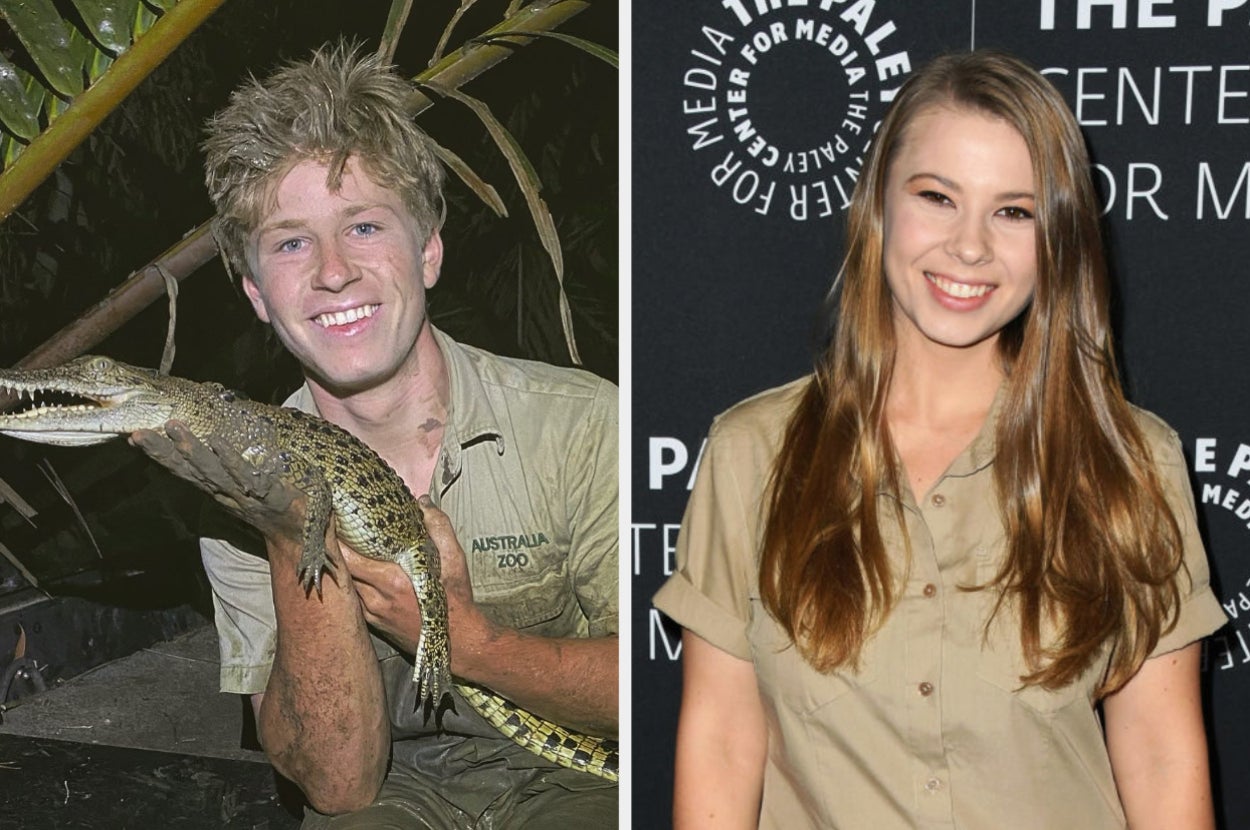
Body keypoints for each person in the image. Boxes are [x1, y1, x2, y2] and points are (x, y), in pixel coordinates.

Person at [654, 50, 1225, 830]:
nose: (969, 246)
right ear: (879, 204)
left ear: (1056, 236)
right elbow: (721, 742)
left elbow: (1161, 754)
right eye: (937, 197)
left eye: (1014, 211)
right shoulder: (754, 453)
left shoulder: (1129, 459)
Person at [130, 44, 618, 828]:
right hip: (395, 794)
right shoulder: (229, 485)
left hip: (585, 779)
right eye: (291, 242)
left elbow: (672, 692)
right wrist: (290, 530)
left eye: (362, 226)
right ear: (256, 292)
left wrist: (469, 641)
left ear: (428, 250)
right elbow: (338, 786)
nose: (332, 271)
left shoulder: (585, 424)